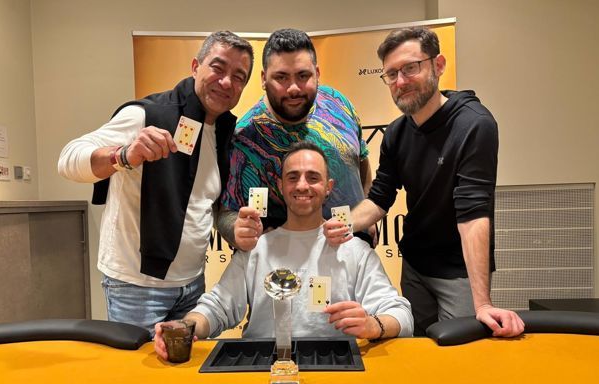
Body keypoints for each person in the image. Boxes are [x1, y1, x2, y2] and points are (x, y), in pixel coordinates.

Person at [324, 26, 524, 338]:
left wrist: (483, 303)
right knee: (415, 346)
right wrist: (342, 223)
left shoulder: (474, 124)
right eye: (391, 74)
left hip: (458, 271)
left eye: (410, 68)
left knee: (459, 351)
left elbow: (473, 215)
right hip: (415, 266)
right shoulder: (396, 133)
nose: (400, 81)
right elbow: (380, 199)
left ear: (438, 65)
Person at [58, 31, 254, 334]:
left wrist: (235, 229)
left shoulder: (226, 130)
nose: (227, 82)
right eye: (218, 68)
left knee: (188, 364)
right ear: (195, 67)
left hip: (192, 284)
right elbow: (68, 159)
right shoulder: (146, 115)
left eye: (239, 76)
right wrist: (123, 155)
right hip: (136, 288)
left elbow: (205, 205)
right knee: (140, 366)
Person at [154, 142, 413, 360]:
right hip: (261, 366)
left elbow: (401, 315)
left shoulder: (355, 250)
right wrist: (186, 325)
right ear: (280, 185)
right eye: (293, 177)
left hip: (336, 365)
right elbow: (217, 307)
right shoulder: (256, 248)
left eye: (313, 177)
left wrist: (373, 325)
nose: (302, 185)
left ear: (329, 187)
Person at [216, 28, 372, 250]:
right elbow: (225, 214)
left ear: (317, 73)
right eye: (281, 77)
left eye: (303, 76)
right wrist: (237, 230)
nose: (293, 88)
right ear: (263, 79)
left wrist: (366, 216)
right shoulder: (244, 139)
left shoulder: (338, 103)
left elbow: (361, 164)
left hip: (354, 250)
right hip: (284, 264)